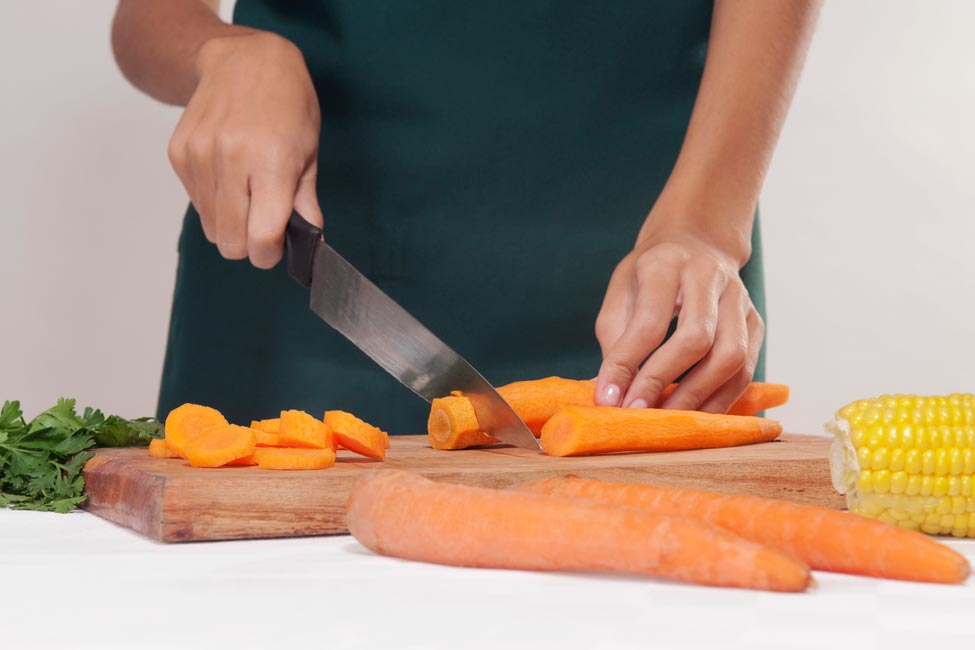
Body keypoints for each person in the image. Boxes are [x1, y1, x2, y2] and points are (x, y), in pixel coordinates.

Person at [112, 1, 820, 433]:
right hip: (302, 278)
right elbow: (147, 17)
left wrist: (705, 224)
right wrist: (226, 53)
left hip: (653, 294)